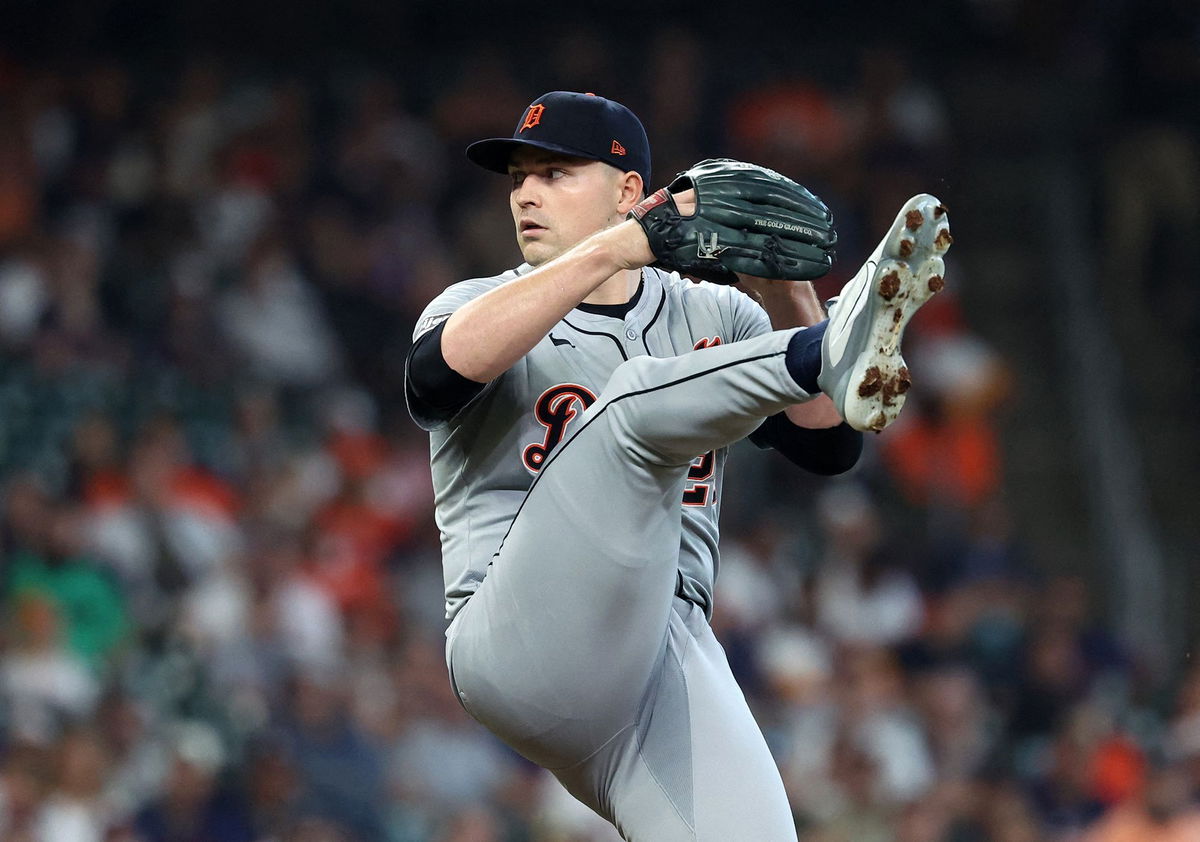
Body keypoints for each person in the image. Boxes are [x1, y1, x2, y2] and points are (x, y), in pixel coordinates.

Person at [405, 90, 950, 841]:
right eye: (519, 175)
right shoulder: (477, 304)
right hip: (518, 637)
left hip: (663, 653)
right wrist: (621, 246)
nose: (526, 192)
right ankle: (828, 346)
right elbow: (432, 385)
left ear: (628, 189)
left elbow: (829, 446)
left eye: (556, 172)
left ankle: (830, 341)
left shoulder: (714, 313)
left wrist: (789, 290)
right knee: (631, 411)